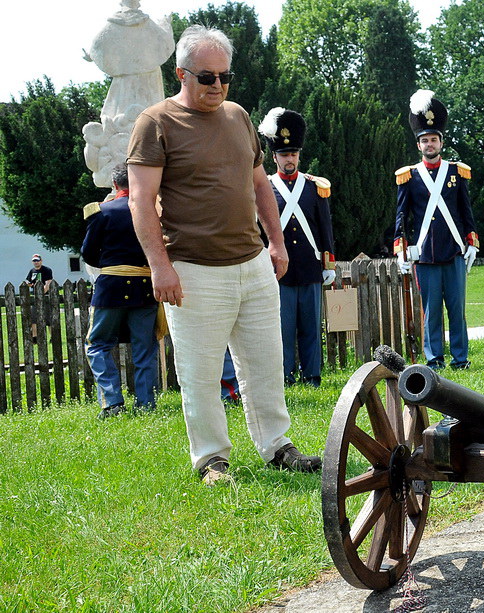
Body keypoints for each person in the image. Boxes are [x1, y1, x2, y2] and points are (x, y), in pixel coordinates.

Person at [126, 25, 321, 485]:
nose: (218, 86)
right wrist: (159, 265)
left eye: (225, 77)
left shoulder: (238, 116)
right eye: (207, 77)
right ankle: (212, 460)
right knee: (200, 374)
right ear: (181, 73)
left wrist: (275, 242)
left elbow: (260, 186)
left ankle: (277, 445)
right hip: (193, 270)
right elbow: (139, 199)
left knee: (266, 363)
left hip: (252, 263)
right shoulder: (154, 122)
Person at [394, 90, 478, 370]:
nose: (430, 144)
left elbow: (466, 211)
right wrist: (401, 249)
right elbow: (402, 216)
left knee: (457, 311)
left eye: (434, 139)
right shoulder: (409, 176)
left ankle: (461, 358)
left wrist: (472, 241)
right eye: (425, 140)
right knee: (430, 314)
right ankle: (434, 359)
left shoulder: (457, 172)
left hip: (453, 250)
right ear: (418, 145)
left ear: (441, 141)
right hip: (426, 255)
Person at [257, 107, 336, 387]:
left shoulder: (315, 187)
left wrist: (328, 263)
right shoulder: (265, 187)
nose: (289, 159)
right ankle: (285, 376)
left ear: (299, 155)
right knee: (283, 328)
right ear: (274, 156)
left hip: (310, 266)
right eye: (283, 155)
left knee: (311, 327)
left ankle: (312, 375)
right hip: (279, 271)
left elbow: (325, 227)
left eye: (293, 154)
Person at [81, 163, 159, 419]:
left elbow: (88, 254)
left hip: (110, 288)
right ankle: (146, 404)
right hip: (144, 288)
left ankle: (112, 403)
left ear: (115, 185)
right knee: (144, 348)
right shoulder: (153, 211)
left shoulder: (101, 212)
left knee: (98, 344)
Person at [25, 254, 54, 341]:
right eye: (34, 261)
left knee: (48, 318)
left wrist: (41, 294)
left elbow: (48, 284)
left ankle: (52, 337)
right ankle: (35, 337)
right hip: (35, 297)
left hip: (46, 296)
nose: (36, 262)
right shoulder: (32, 271)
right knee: (34, 318)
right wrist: (29, 284)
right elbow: (28, 281)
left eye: (37, 260)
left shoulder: (47, 270)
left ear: (41, 261)